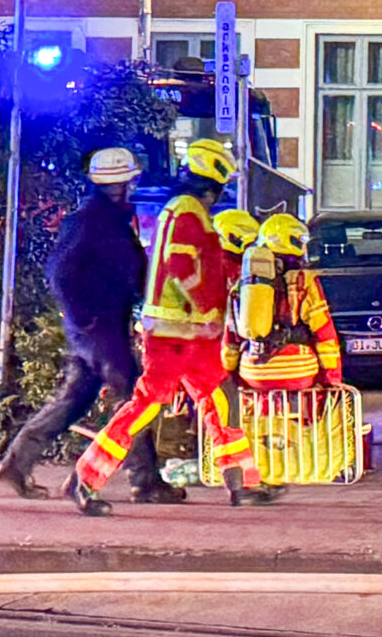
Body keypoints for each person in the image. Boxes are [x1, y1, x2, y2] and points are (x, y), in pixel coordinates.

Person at [69, 137, 260, 513]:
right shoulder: (189, 213)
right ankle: (85, 479)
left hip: (187, 336)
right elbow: (183, 267)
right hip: (178, 335)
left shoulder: (182, 209)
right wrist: (207, 310)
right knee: (146, 406)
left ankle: (242, 485)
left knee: (223, 400)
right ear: (214, 181)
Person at [0, 147, 183, 503]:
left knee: (74, 399)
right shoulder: (92, 222)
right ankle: (144, 481)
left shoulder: (105, 220)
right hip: (101, 328)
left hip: (98, 327)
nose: (133, 186)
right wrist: (87, 318)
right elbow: (61, 274)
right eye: (130, 181)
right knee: (134, 399)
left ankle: (17, 464)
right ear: (120, 184)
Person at [232, 210, 343, 393]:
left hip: (252, 372)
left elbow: (230, 338)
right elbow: (324, 333)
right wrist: (332, 378)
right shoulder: (302, 281)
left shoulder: (243, 283)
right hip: (297, 371)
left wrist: (233, 376)